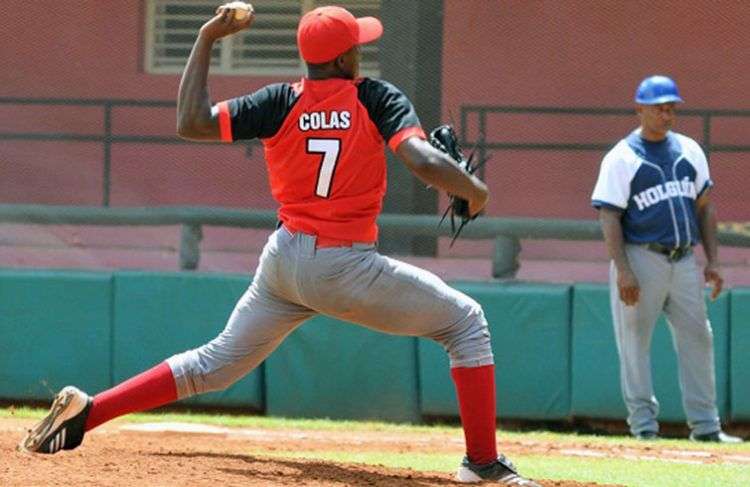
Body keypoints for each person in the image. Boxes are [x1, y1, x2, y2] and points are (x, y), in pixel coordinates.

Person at [20, 4, 540, 485]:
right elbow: (423, 162)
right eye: (356, 43)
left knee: (214, 365)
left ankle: (91, 410)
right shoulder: (375, 95)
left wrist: (206, 37)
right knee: (466, 324)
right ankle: (481, 462)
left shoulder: (278, 101)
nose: (361, 48)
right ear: (343, 56)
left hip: (285, 259)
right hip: (343, 265)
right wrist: (475, 189)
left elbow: (190, 122)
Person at [591, 75, 742, 443]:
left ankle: (706, 426)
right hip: (641, 258)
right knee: (635, 342)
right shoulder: (622, 157)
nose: (666, 113)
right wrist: (623, 269)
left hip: (684, 260)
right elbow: (608, 215)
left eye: (671, 107)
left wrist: (715, 260)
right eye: (659, 107)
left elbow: (704, 207)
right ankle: (643, 427)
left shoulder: (689, 150)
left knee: (698, 337)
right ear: (639, 109)